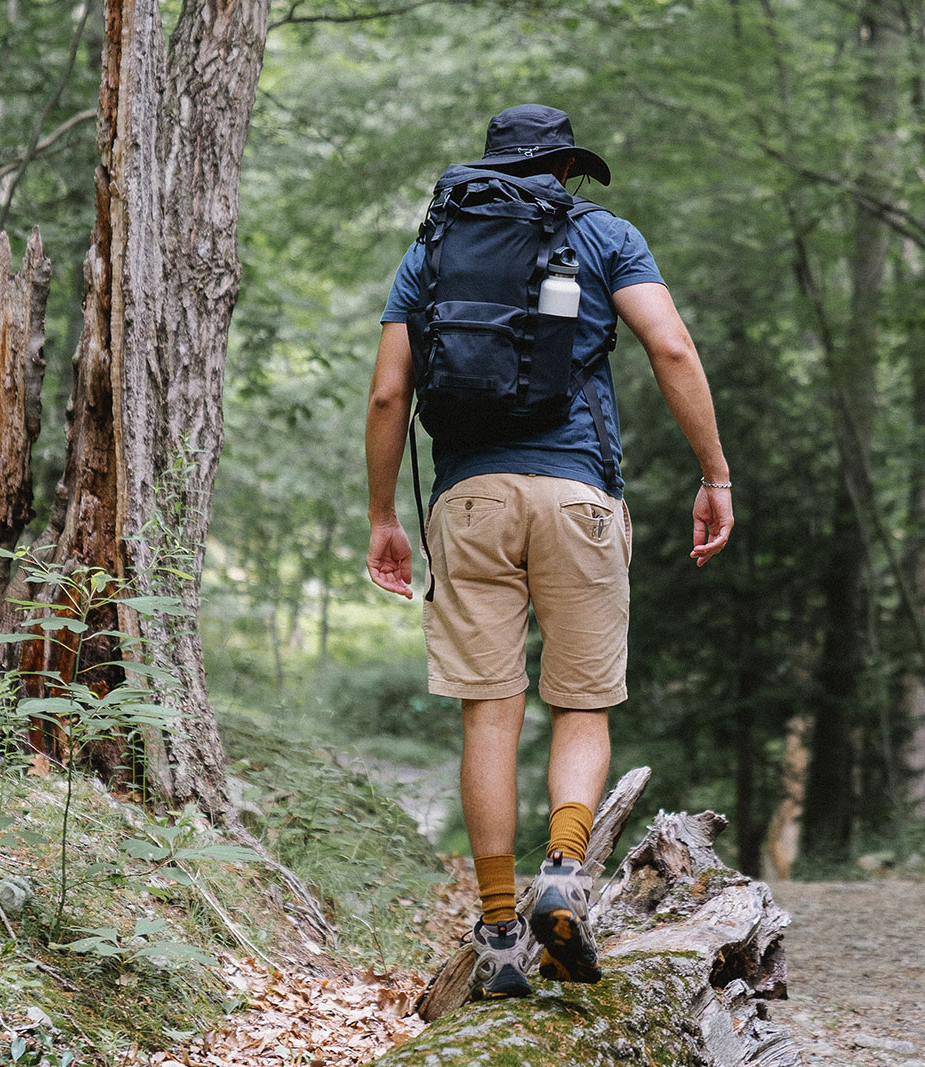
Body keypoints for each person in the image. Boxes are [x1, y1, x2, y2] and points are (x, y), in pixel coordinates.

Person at [364, 104, 734, 999]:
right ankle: (564, 875)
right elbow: (672, 348)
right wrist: (714, 472)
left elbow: (386, 397)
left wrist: (383, 516)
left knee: (490, 713)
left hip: (469, 500)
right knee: (582, 703)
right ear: (562, 168)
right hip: (579, 498)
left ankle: (496, 934)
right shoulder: (604, 235)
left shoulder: (435, 249)